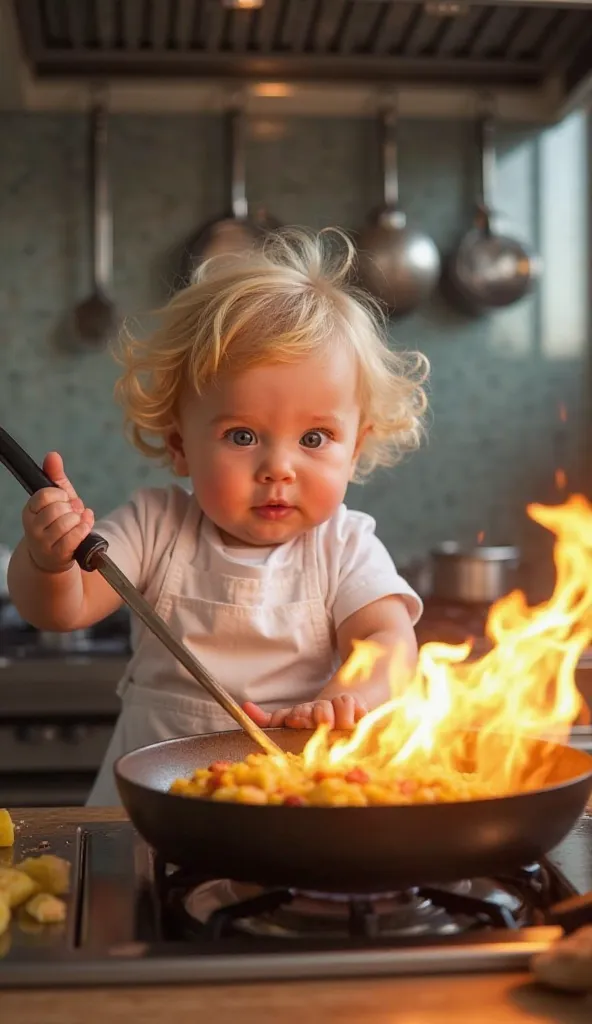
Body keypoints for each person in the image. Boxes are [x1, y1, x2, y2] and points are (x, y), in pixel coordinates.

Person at [8, 229, 429, 805]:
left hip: (288, 806)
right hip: (146, 815)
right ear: (180, 445)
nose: (278, 467)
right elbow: (63, 610)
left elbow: (389, 640)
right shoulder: (155, 525)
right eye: (243, 435)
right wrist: (49, 560)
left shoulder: (344, 546)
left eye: (314, 437)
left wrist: (347, 695)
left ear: (355, 449)